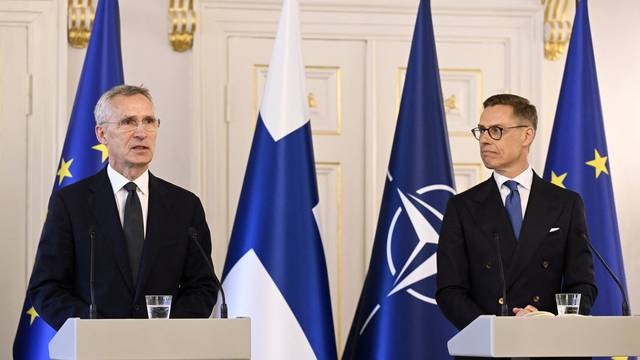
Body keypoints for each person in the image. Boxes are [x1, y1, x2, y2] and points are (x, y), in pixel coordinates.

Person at [28, 85, 216, 330]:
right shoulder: (70, 203)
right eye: (128, 122)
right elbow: (47, 288)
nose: (141, 132)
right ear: (101, 134)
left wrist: (168, 330)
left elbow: (203, 286)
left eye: (149, 121)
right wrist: (96, 329)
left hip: (165, 350)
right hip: (94, 349)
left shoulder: (185, 205)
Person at [436, 94, 597, 332]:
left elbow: (583, 284)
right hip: (487, 348)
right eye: (481, 130)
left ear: (526, 135)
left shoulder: (566, 203)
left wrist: (545, 320)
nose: (485, 140)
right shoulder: (461, 207)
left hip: (547, 347)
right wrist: (493, 329)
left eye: (496, 130)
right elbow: (449, 290)